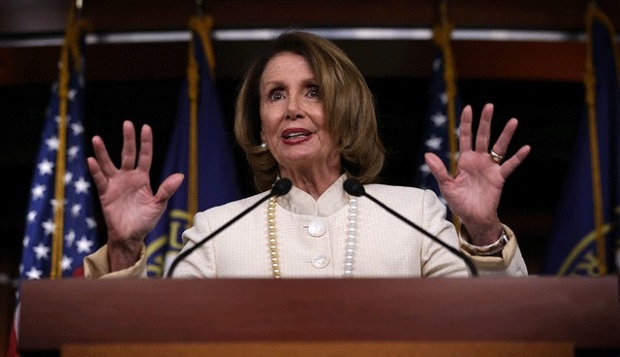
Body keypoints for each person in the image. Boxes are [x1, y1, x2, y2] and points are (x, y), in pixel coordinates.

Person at [84, 31, 530, 279]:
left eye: (313, 92)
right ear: (261, 127)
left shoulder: (415, 213)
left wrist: (484, 230)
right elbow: (154, 340)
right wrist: (124, 249)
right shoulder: (215, 233)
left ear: (346, 112)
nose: (293, 108)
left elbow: (490, 327)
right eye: (276, 95)